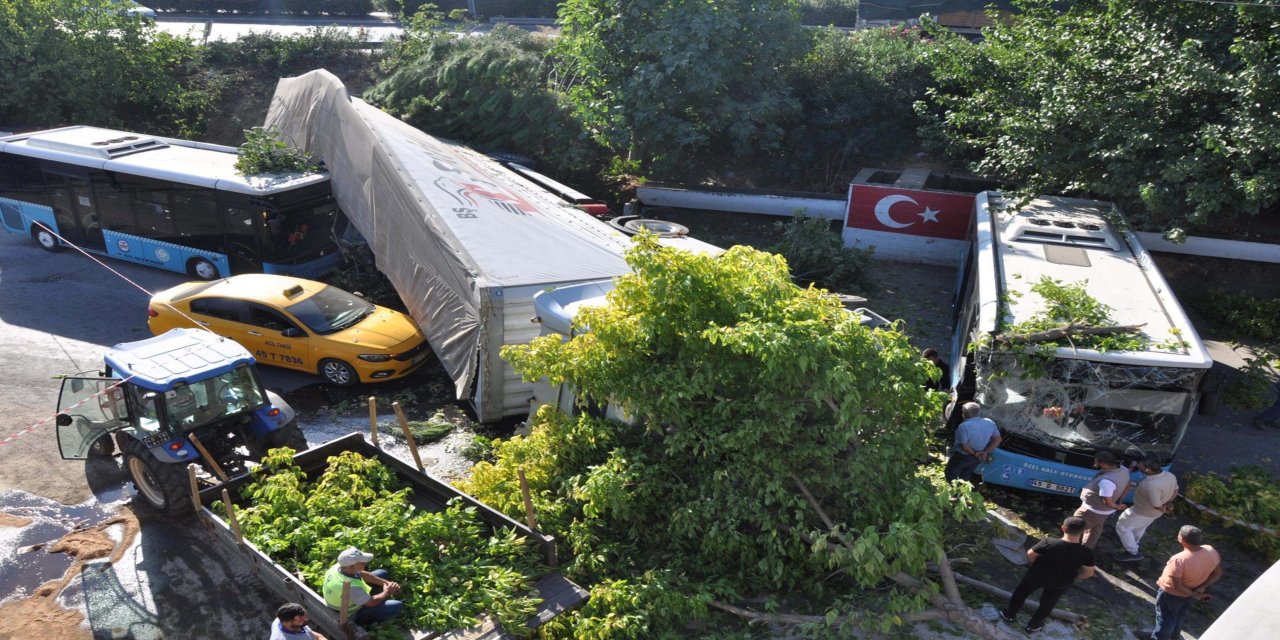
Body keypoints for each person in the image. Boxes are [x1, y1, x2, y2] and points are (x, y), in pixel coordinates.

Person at [1000, 516, 1096, 634]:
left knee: (1021, 593)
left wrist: (1038, 564)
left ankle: (1009, 614)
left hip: (1037, 575)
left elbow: (1030, 555)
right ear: (1083, 532)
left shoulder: (1049, 542)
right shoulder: (1086, 553)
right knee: (1048, 603)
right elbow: (1088, 573)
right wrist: (1074, 576)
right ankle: (1033, 625)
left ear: (1063, 528)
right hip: (1062, 582)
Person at [1137, 525, 1222, 640]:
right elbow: (1217, 573)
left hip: (1171, 594)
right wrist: (1201, 588)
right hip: (1191, 592)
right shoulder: (1210, 550)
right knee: (1178, 616)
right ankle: (1175, 637)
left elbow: (1177, 585)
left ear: (1181, 539)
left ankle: (1159, 638)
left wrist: (1195, 595)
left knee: (1165, 618)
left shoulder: (1178, 560)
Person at [1114, 455, 1179, 562]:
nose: (1138, 465)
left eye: (1140, 465)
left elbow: (1156, 504)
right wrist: (1168, 503)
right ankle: (1135, 542)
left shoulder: (1151, 484)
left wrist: (1163, 509)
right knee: (1139, 527)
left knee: (1122, 526)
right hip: (1154, 514)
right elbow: (1176, 490)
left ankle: (1133, 552)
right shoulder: (1170, 475)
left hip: (1142, 511)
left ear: (1147, 469)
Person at [322, 547, 403, 625]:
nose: (365, 563)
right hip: (350, 613)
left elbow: (361, 573)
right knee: (396, 606)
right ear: (351, 567)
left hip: (347, 599)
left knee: (382, 573)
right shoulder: (350, 587)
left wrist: (385, 583)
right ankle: (369, 621)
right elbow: (371, 603)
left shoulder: (340, 567)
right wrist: (388, 591)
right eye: (362, 563)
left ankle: (377, 595)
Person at [1072, 450, 1130, 549]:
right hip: (1103, 512)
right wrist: (1120, 499)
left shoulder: (1106, 481)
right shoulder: (1123, 469)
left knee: (1074, 528)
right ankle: (1086, 550)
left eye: (1096, 462)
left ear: (1103, 464)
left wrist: (1117, 506)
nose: (1094, 464)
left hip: (1091, 510)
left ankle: (1068, 547)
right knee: (1095, 528)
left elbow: (1106, 501)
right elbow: (1128, 483)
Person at [945, 402, 1002, 483]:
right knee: (965, 477)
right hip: (978, 457)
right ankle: (960, 494)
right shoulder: (989, 422)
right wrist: (985, 452)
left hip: (962, 456)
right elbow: (998, 439)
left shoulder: (964, 426)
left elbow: (964, 446)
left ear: (965, 413)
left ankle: (951, 493)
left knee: (950, 474)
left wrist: (975, 453)